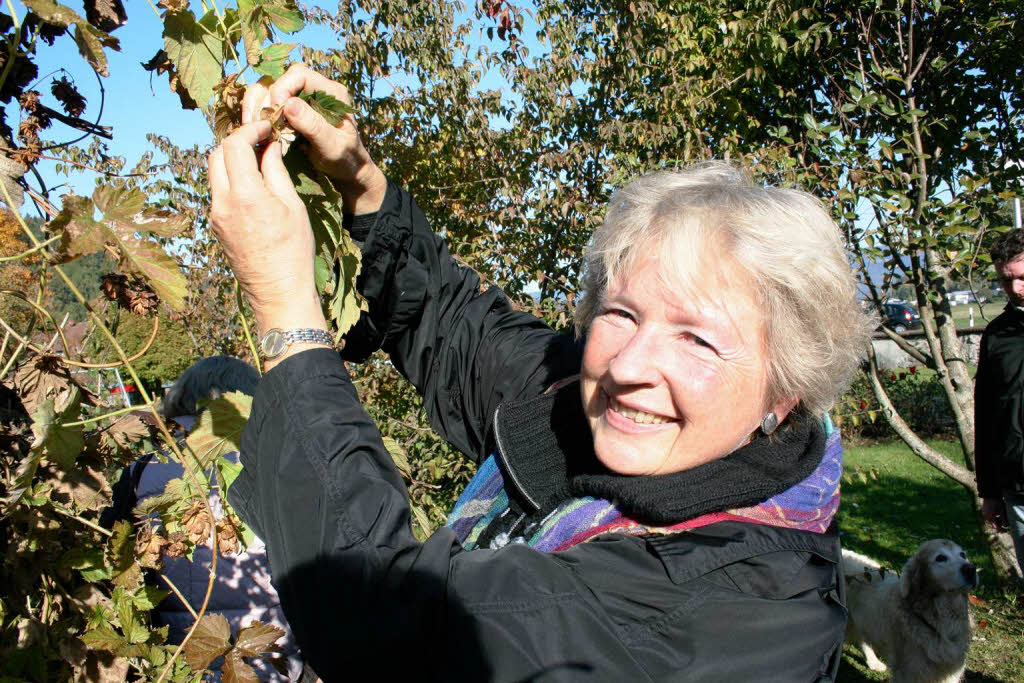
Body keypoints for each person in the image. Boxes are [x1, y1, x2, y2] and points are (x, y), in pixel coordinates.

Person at [208, 64, 874, 681]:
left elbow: (388, 627)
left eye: (698, 340)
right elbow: (453, 325)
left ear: (784, 393)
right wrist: (361, 180)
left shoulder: (717, 615)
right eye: (621, 313)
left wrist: (284, 303)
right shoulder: (601, 409)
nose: (630, 366)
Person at [112, 357, 309, 681]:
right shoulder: (283, 471)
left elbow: (120, 576)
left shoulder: (141, 474)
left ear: (180, 405)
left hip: (177, 667)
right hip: (275, 667)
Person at [975, 229, 1024, 574]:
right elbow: (986, 416)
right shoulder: (996, 336)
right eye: (1007, 280)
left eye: (1022, 278)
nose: (1015, 288)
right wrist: (990, 492)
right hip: (1018, 486)